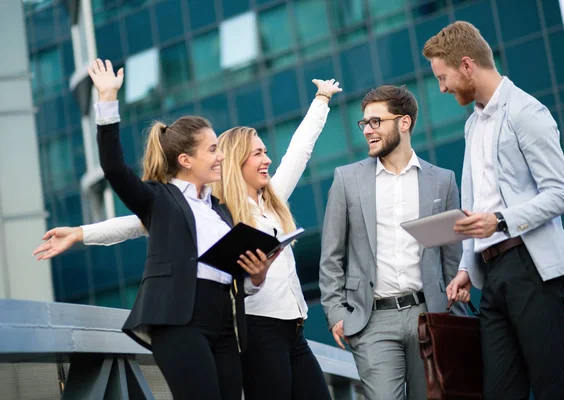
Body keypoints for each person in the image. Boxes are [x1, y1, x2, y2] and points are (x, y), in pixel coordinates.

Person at [34, 75, 343, 399]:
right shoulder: (205, 206)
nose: (266, 159)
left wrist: (321, 100)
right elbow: (134, 220)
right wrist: (83, 233)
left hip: (271, 326)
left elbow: (299, 152)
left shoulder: (235, 208)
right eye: (256, 154)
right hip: (240, 326)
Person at [79, 58, 282, 400]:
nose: (221, 157)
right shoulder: (159, 199)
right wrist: (107, 101)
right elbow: (114, 167)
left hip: (225, 324)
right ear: (186, 160)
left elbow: (233, 275)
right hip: (179, 322)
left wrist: (256, 275)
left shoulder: (221, 211)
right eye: (213, 150)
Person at [423, 21, 564, 399]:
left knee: (551, 385)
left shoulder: (527, 112)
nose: (442, 88)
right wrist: (464, 268)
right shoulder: (472, 125)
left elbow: (562, 193)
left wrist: (501, 221)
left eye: (443, 78)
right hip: (491, 274)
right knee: (499, 392)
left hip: (531, 268)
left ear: (466, 65)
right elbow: (477, 203)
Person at [319, 84, 468, 400]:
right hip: (372, 321)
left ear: (404, 122)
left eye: (376, 122)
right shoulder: (347, 180)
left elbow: (451, 258)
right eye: (365, 124)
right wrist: (336, 311)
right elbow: (331, 255)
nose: (368, 131)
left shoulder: (443, 180)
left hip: (428, 316)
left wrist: (453, 306)